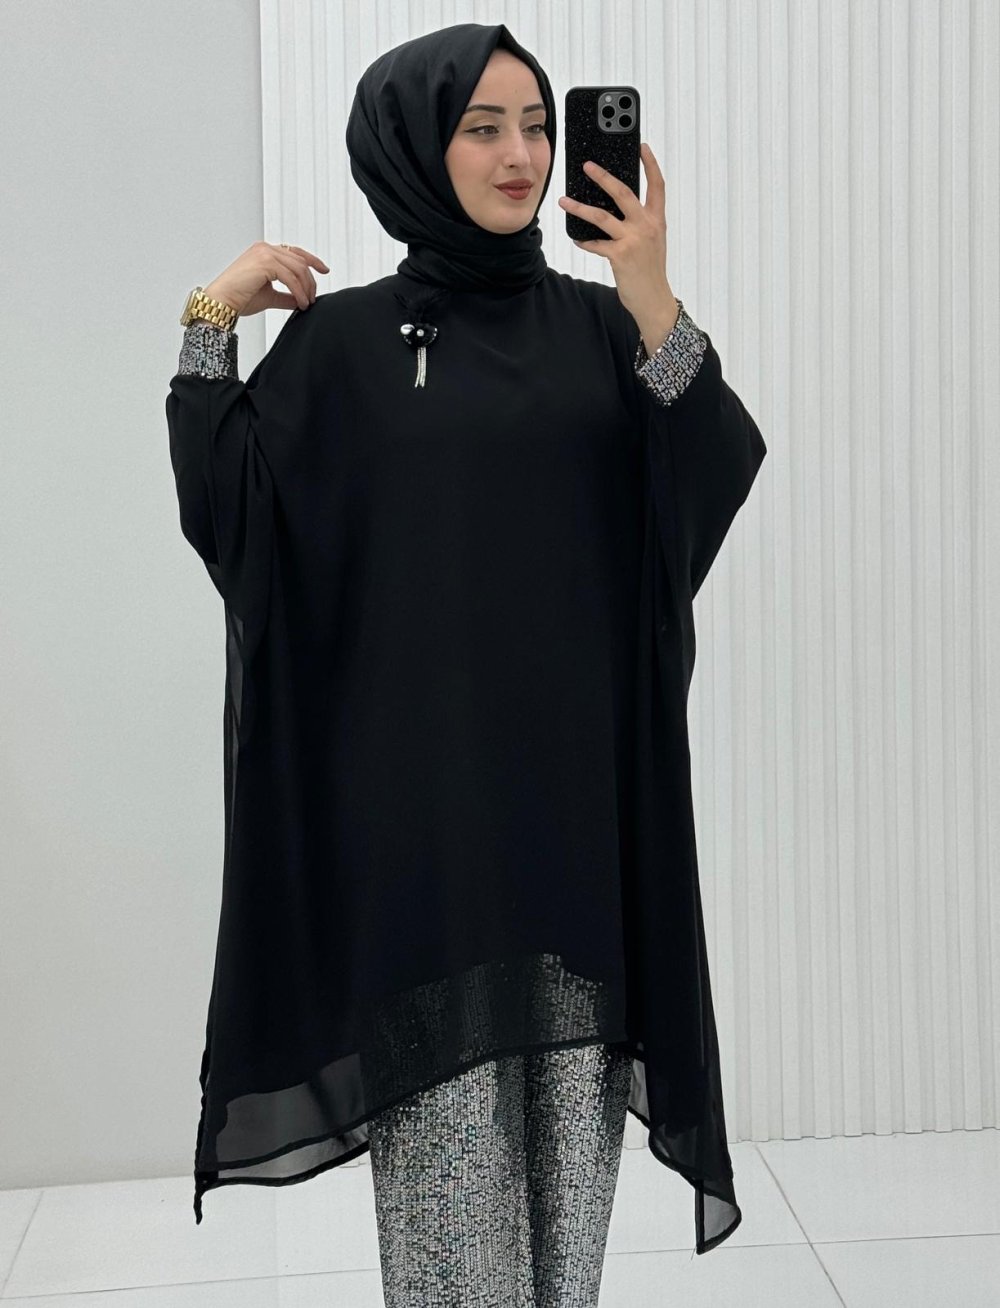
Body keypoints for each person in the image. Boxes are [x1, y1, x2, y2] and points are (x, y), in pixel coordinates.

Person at [166, 21, 766, 1306]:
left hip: (575, 828)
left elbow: (710, 469)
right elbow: (232, 512)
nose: (521, 155)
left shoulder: (603, 330)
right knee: (456, 1242)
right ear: (412, 147)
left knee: (564, 1230)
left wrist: (649, 287)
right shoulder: (343, 346)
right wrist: (212, 315)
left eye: (536, 125)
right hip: (423, 840)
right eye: (482, 127)